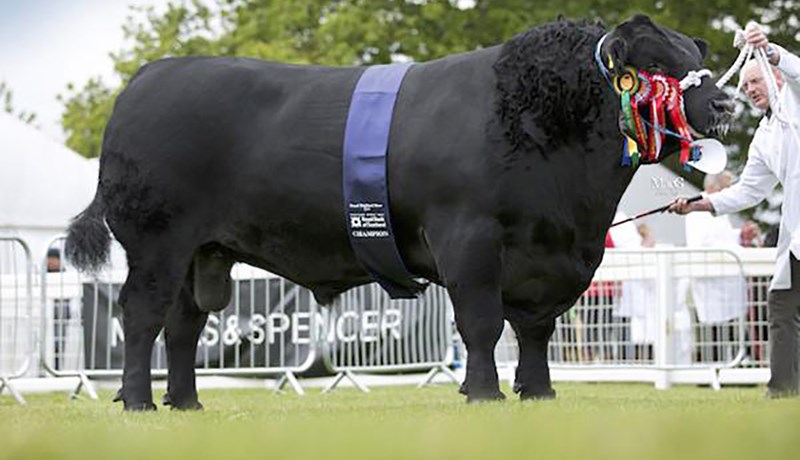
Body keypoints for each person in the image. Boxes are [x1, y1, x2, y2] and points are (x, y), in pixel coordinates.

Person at [669, 24, 800, 398]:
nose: (750, 90)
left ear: (774, 76)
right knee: (782, 306)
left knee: (784, 307)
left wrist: (770, 51)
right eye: (746, 87)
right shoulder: (763, 137)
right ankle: (783, 390)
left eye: (756, 81)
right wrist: (698, 205)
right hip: (797, 233)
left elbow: (796, 71)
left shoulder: (795, 98)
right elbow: (747, 192)